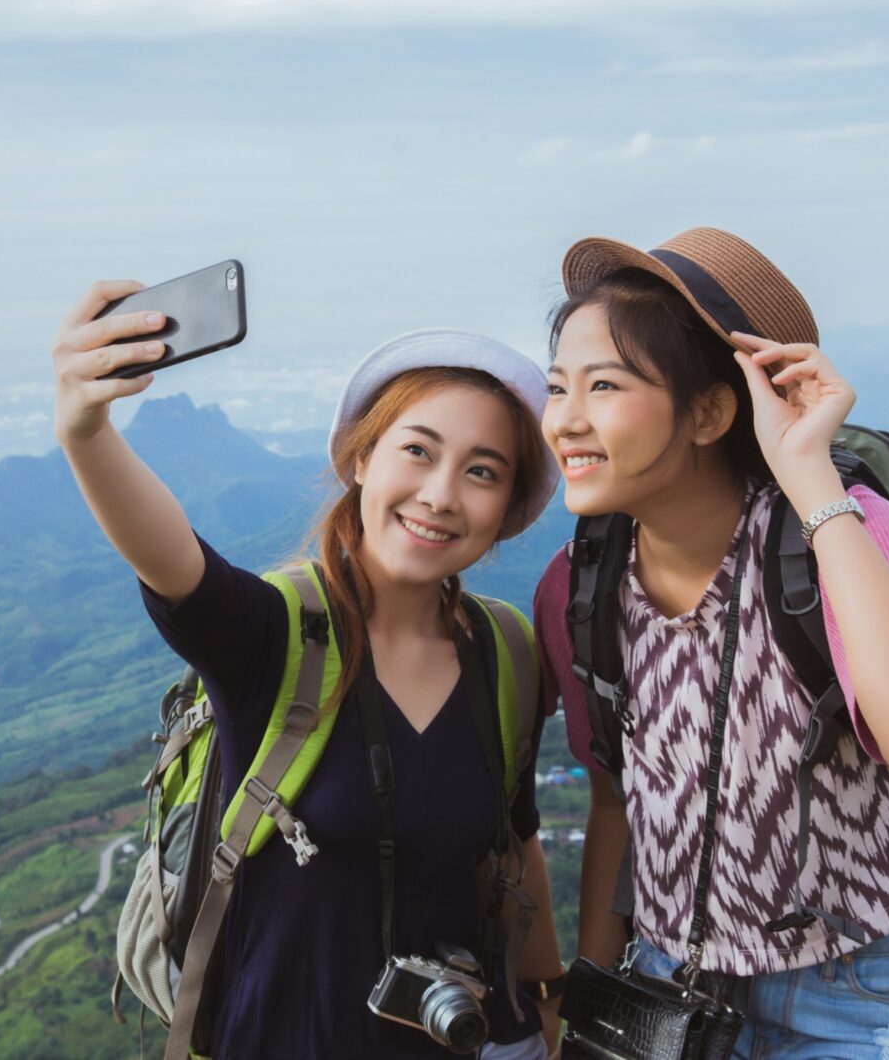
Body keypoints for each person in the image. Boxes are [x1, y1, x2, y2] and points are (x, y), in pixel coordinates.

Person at [54, 280, 567, 1060]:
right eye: (418, 451)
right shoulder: (272, 636)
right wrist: (85, 428)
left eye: (482, 472)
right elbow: (167, 555)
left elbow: (514, 842)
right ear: (363, 458)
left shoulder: (507, 653)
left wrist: (548, 1005)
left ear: (507, 509)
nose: (440, 495)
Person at [533, 228, 889, 1059]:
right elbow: (615, 798)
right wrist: (590, 1004)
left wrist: (808, 470)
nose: (565, 420)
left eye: (603, 385)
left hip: (870, 983)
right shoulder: (579, 585)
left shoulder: (845, 541)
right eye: (557, 386)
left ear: (711, 410)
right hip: (670, 982)